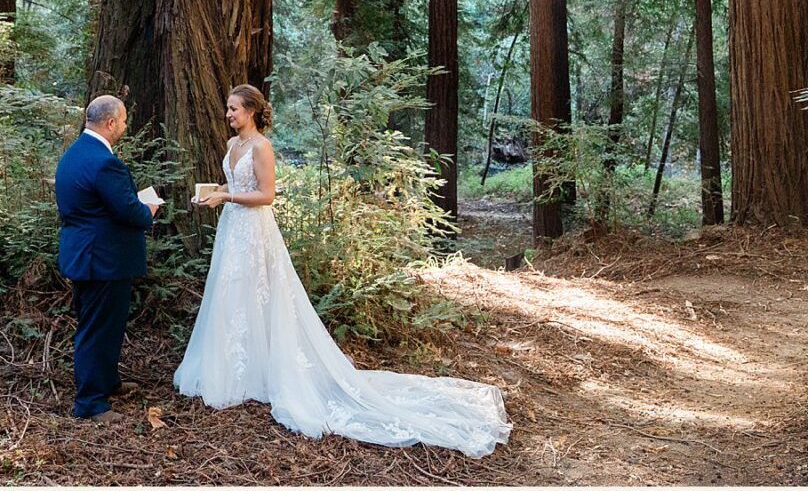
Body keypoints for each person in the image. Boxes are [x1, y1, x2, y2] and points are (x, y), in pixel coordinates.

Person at [173, 84, 511, 457]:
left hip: (255, 232)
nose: (228, 114)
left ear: (251, 111)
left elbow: (266, 195)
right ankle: (240, 369)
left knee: (258, 293)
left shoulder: (261, 147)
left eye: (234, 109)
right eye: (228, 108)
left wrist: (227, 197)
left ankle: (264, 371)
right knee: (231, 294)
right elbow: (235, 182)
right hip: (232, 229)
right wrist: (214, 192)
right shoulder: (231, 145)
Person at [54, 95, 159, 423]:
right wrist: (149, 210)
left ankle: (107, 382)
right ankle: (90, 402)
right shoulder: (103, 161)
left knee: (105, 325)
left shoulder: (73, 154)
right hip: (103, 259)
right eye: (124, 121)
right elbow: (129, 211)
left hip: (85, 254)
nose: (125, 127)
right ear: (110, 123)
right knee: (98, 329)